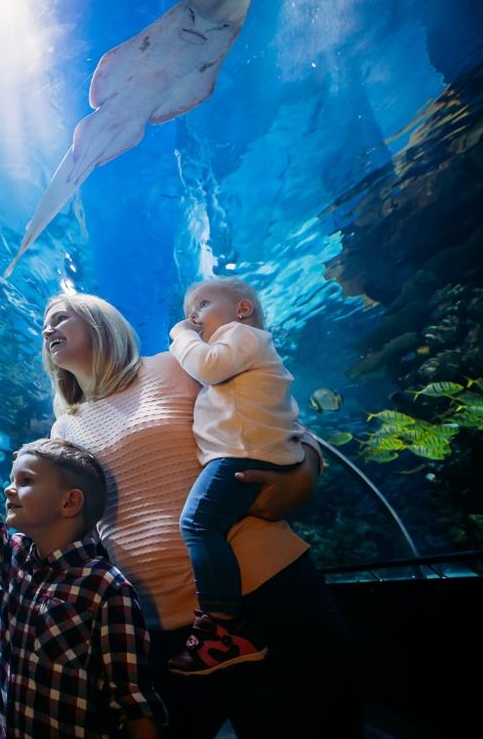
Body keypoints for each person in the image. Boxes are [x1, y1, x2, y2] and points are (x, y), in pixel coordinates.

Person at [43, 292, 363, 739]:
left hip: (265, 593)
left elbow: (272, 414)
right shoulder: (63, 429)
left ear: (100, 322)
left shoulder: (173, 366)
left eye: (60, 318)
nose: (47, 329)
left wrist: (306, 468)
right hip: (163, 626)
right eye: (45, 324)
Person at [0, 388, 167, 739]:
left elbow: (135, 704)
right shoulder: (15, 557)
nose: (9, 490)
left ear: (70, 502)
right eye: (12, 480)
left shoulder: (106, 589)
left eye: (25, 481)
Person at [166, 277, 305, 675]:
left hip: (242, 452)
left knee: (197, 523)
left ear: (242, 309)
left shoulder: (242, 335)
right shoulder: (242, 348)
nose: (192, 317)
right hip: (246, 449)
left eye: (203, 305)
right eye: (187, 313)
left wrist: (179, 335)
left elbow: (208, 367)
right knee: (208, 524)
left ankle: (223, 627)